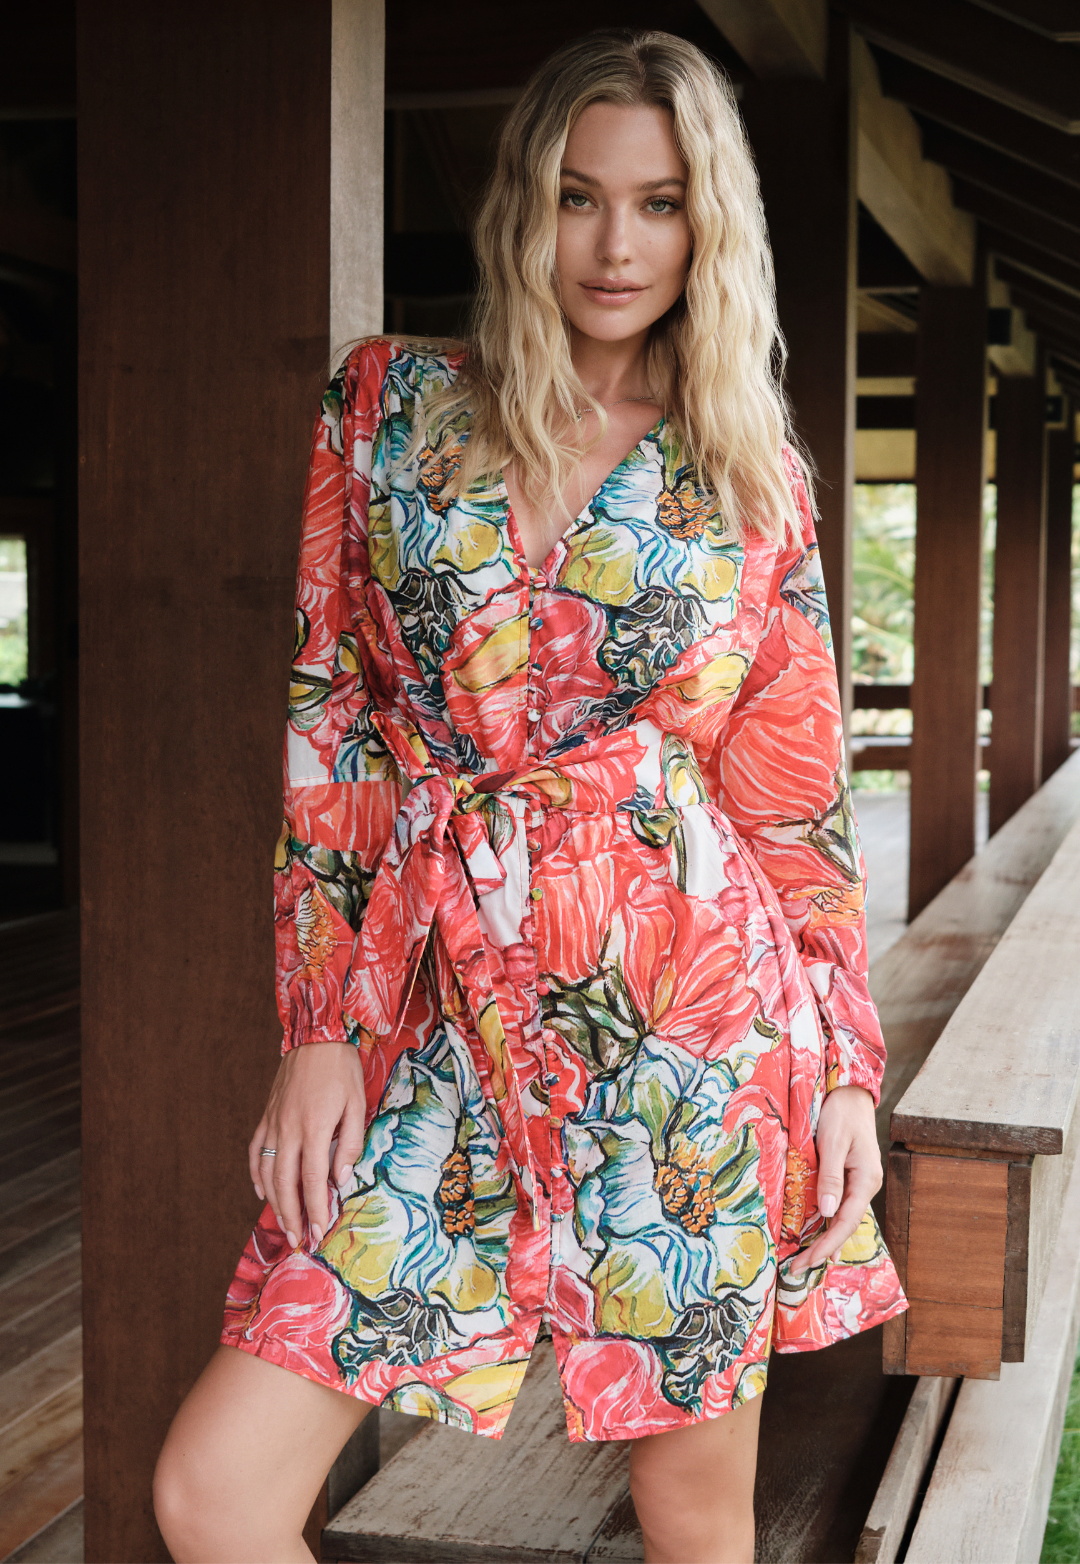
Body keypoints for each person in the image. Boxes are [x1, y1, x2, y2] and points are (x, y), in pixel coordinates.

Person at [154, 28, 906, 1564]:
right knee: (216, 1494)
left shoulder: (748, 471)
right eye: (578, 197)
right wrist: (318, 1031)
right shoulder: (389, 412)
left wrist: (841, 1071)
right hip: (436, 1018)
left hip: (688, 1027)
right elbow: (337, 736)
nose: (616, 244)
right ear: (521, 207)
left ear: (713, 224)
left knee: (690, 1512)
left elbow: (791, 807)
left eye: (660, 201)